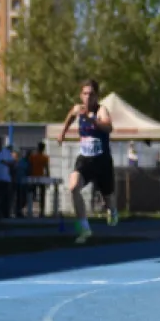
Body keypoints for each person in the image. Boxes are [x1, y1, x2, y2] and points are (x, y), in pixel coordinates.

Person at [57, 79, 118, 244]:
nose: (88, 98)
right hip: (85, 159)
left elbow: (108, 127)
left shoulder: (101, 110)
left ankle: (112, 211)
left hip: (102, 160)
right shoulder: (78, 109)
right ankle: (84, 228)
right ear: (80, 95)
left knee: (108, 197)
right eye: (85, 94)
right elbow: (70, 116)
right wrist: (63, 133)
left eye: (91, 94)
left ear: (97, 96)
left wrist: (91, 119)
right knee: (73, 187)